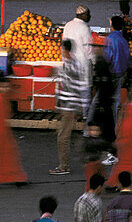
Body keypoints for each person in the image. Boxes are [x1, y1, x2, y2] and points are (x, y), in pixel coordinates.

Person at [50, 38, 89, 175]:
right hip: (69, 105)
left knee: (63, 136)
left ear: (65, 50)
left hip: (69, 106)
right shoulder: (74, 64)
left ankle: (64, 166)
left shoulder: (70, 66)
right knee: (64, 134)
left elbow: (69, 86)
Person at [104, 15, 130, 120]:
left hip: (111, 72)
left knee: (101, 99)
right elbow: (127, 57)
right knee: (116, 98)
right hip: (120, 72)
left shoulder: (109, 38)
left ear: (112, 26)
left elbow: (107, 57)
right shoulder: (123, 40)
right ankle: (115, 123)